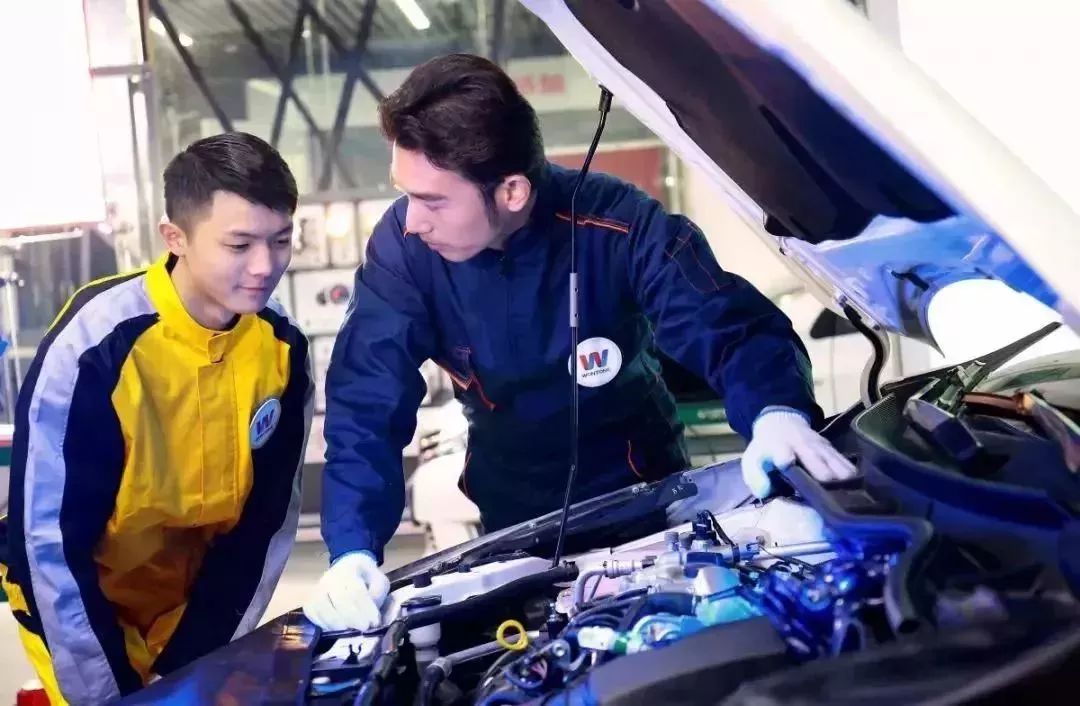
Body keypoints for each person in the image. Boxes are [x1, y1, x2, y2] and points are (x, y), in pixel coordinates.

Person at [303, 54, 854, 632]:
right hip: (512, 523)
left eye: (433, 201)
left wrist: (776, 410)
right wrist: (352, 549)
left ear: (512, 191)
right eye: (406, 194)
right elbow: (366, 398)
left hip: (648, 505)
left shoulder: (617, 224)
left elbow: (723, 319)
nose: (413, 220)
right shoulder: (404, 249)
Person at [0, 132, 313, 705]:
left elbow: (263, 524)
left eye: (281, 240)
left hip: (196, 606)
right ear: (176, 238)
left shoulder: (281, 346)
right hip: (83, 610)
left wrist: (198, 658)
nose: (265, 266)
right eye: (239, 244)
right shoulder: (95, 349)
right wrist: (113, 693)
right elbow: (48, 545)